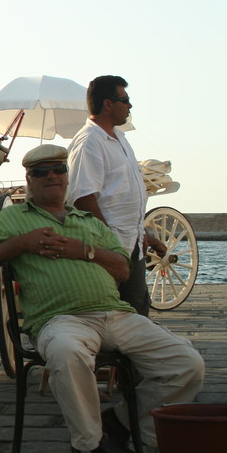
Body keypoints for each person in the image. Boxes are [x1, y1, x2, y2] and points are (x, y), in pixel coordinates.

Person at [0, 144, 204, 453]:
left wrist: (84, 251)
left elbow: (122, 269)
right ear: (29, 180)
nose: (51, 176)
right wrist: (24, 242)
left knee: (187, 364)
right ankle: (94, 441)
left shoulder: (89, 222)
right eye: (41, 172)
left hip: (116, 313)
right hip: (60, 320)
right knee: (67, 353)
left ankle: (121, 423)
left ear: (67, 177)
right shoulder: (14, 218)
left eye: (58, 170)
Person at [66, 75, 164, 316]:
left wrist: (144, 235)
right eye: (125, 100)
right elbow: (83, 199)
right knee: (116, 315)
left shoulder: (120, 138)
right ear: (108, 104)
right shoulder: (90, 143)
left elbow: (122, 196)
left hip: (132, 245)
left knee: (137, 312)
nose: (129, 106)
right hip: (110, 249)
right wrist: (108, 244)